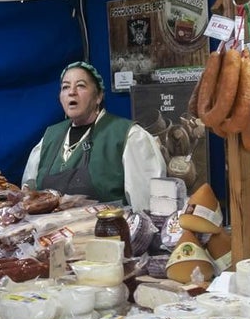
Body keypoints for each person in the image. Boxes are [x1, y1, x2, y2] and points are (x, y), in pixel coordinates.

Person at [22, 60, 165, 209]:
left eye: (81, 86)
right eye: (65, 87)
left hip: (107, 230)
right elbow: (29, 192)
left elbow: (147, 207)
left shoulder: (128, 136)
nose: (71, 92)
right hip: (51, 231)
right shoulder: (50, 137)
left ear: (98, 96)